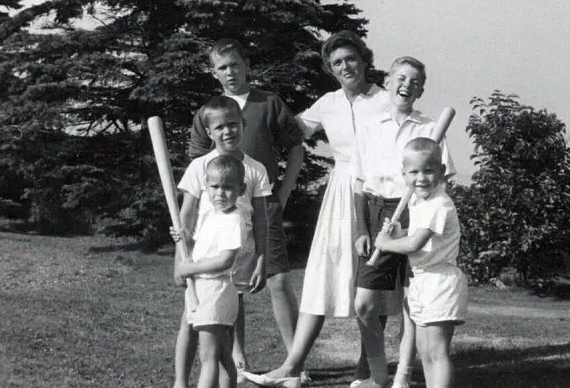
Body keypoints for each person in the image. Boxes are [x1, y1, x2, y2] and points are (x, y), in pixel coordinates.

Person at [243, 31, 392, 388]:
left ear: (364, 59)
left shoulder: (386, 100)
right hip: (341, 194)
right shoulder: (327, 102)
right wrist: (237, 125)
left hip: (379, 192)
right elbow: (286, 129)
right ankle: (292, 366)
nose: (345, 67)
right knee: (320, 277)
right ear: (330, 68)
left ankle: (365, 369)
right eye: (337, 62)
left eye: (350, 59)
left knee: (372, 279)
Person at [188, 39, 305, 379]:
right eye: (222, 67)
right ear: (214, 72)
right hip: (223, 210)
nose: (230, 72)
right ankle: (238, 359)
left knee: (279, 280)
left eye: (235, 65)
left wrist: (281, 194)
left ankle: (294, 363)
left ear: (246, 64)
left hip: (262, 202)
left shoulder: (268, 103)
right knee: (228, 283)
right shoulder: (208, 112)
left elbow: (295, 148)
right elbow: (198, 164)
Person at [351, 56, 455, 388]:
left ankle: (402, 379)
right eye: (400, 77)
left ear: (421, 90)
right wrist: (361, 230)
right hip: (378, 213)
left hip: (417, 214)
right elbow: (358, 183)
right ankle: (378, 378)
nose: (406, 85)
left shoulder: (428, 129)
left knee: (413, 302)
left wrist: (420, 222)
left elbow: (441, 181)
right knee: (364, 304)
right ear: (388, 81)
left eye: (414, 81)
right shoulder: (370, 126)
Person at [175, 96, 272, 388]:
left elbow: (262, 220)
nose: (227, 131)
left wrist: (262, 260)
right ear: (209, 132)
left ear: (243, 124)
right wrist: (179, 261)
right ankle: (180, 382)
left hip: (231, 262)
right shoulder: (198, 167)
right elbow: (186, 215)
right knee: (190, 325)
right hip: (199, 259)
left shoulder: (255, 170)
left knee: (218, 339)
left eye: (233, 124)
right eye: (219, 127)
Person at [374, 138, 468, 388]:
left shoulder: (439, 203)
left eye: (429, 171)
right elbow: (415, 236)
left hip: (440, 281)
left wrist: (385, 244)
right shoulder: (421, 202)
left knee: (436, 352)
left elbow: (414, 245)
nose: (422, 178)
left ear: (441, 172)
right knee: (424, 350)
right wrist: (398, 234)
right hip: (423, 280)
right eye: (414, 172)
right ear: (403, 174)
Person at [174, 155, 248, 388]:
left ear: (241, 189)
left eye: (228, 187)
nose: (220, 193)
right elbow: (202, 251)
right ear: (205, 186)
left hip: (215, 290)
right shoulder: (212, 217)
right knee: (223, 355)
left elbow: (225, 260)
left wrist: (189, 268)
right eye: (214, 186)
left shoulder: (234, 220)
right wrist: (185, 239)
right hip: (203, 289)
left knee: (208, 357)